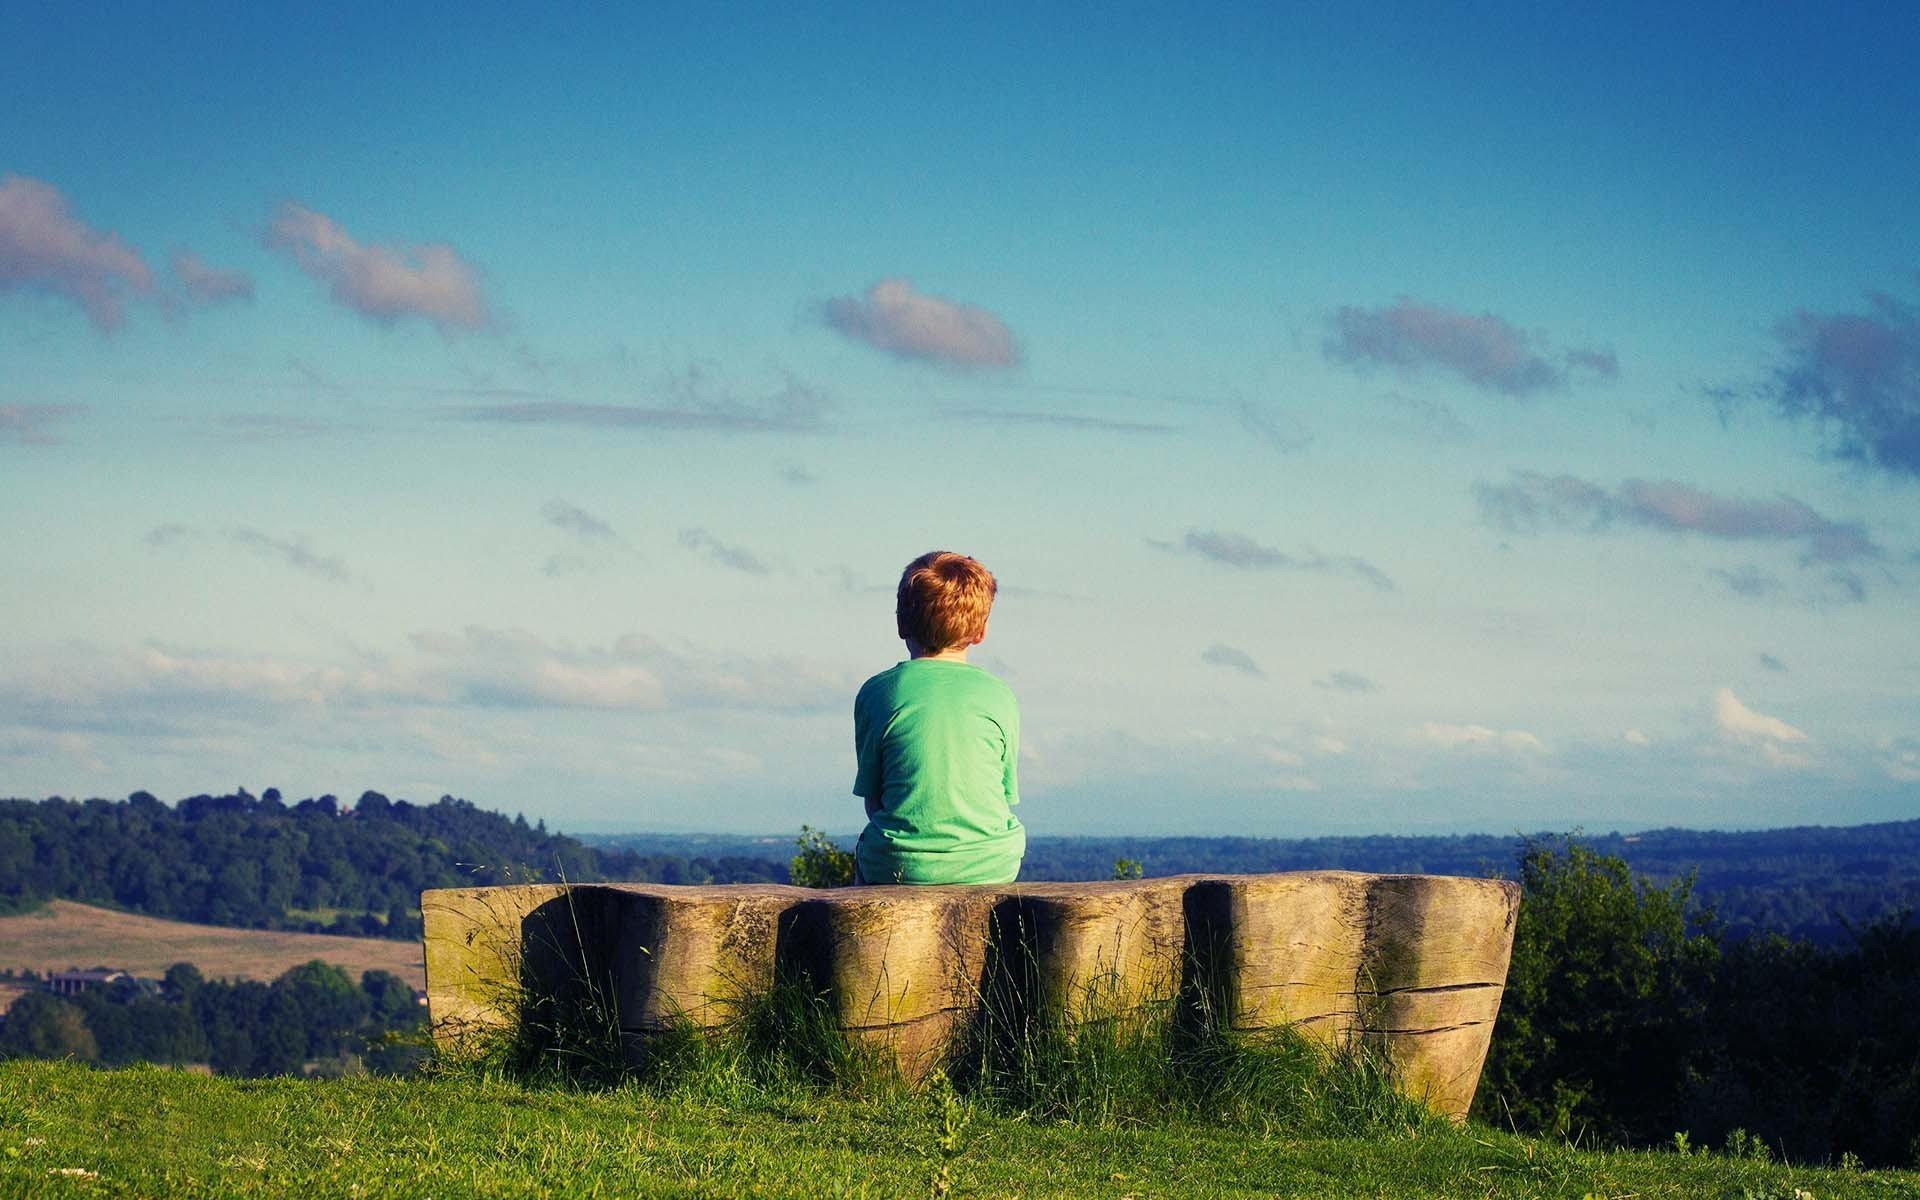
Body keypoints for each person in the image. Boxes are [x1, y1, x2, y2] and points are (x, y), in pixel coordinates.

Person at [852, 551, 1024, 885]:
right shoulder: (1000, 695)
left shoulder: (878, 692)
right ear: (981, 631)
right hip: (992, 863)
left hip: (901, 865)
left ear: (901, 623)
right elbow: (1003, 796)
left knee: (867, 852)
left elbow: (875, 800)